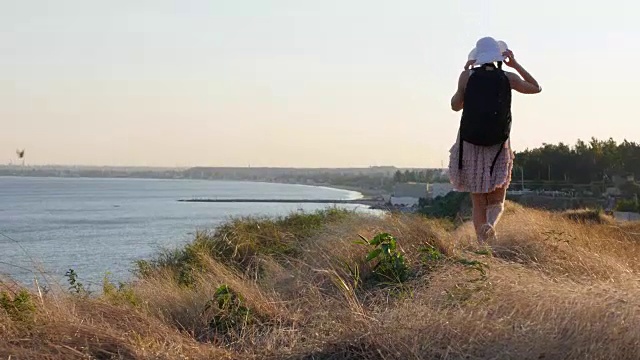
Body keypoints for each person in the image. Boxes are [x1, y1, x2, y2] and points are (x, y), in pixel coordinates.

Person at [448, 36, 541, 244]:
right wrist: (515, 64)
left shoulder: (467, 77)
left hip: (470, 145)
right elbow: (536, 87)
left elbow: (455, 105)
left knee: (478, 202)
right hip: (497, 145)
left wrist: (464, 73)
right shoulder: (508, 78)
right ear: (498, 57)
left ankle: (483, 245)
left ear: (478, 57)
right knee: (497, 200)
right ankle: (491, 225)